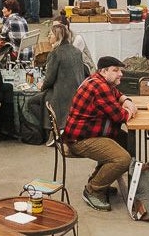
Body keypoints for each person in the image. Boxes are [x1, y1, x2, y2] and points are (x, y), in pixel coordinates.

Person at [61, 56, 136, 212]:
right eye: (115, 70)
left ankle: (100, 179)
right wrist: (131, 110)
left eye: (120, 70)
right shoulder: (99, 87)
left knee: (126, 141)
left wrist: (126, 100)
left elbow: (117, 94)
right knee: (123, 159)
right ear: (104, 71)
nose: (120, 74)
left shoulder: (99, 81)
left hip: (88, 133)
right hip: (80, 140)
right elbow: (120, 116)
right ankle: (93, 190)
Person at [39, 23, 90, 140]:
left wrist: (41, 86)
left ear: (58, 36)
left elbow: (49, 79)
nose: (48, 36)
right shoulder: (76, 51)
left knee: (35, 101)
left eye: (51, 34)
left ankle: (51, 131)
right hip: (78, 92)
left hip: (61, 94)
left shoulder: (55, 53)